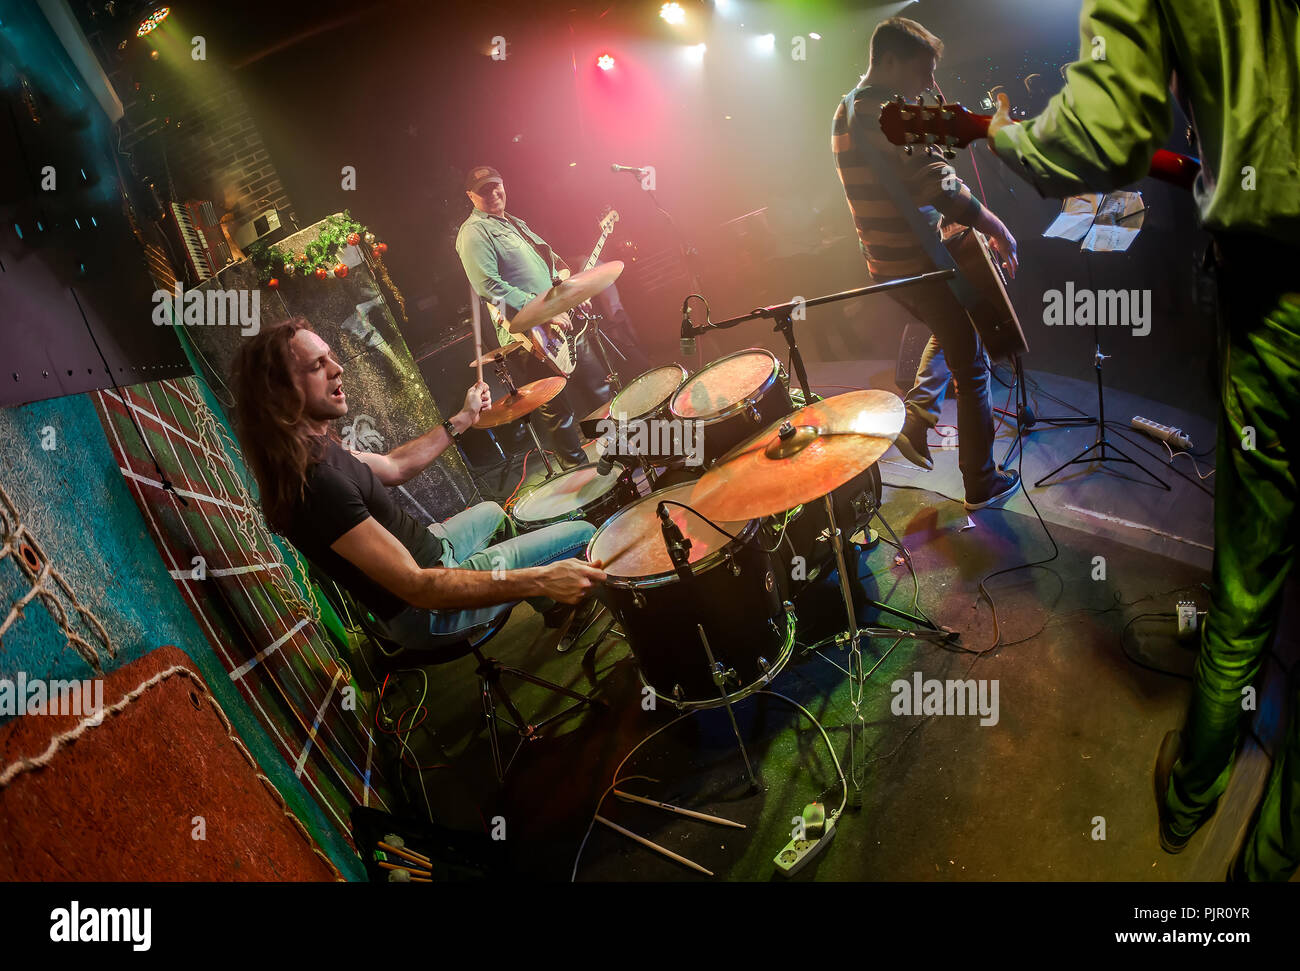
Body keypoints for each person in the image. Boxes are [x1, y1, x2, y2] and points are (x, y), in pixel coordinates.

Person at [984, 0, 1300, 880]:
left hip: (1278, 302)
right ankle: (1271, 861)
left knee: (1245, 577)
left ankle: (1194, 787)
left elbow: (1099, 134)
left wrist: (1007, 136)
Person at [231, 317, 606, 649]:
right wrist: (541, 578)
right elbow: (417, 587)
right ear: (280, 394)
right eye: (318, 365)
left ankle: (557, 613)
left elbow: (395, 466)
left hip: (431, 552)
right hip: (427, 609)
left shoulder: (316, 446)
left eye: (330, 356)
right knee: (585, 533)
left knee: (494, 513)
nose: (337, 368)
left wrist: (463, 418)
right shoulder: (316, 486)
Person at [832, 16, 1023, 510]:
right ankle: (981, 482)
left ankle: (918, 420)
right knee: (972, 360)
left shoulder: (847, 107)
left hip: (887, 261)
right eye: (924, 72)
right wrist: (996, 227)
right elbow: (935, 183)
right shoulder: (886, 110)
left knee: (952, 329)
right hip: (916, 262)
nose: (931, 84)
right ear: (890, 60)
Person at [455, 166, 613, 468]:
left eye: (496, 186)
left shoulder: (514, 223)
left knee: (599, 390)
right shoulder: (474, 232)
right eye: (484, 190)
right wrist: (542, 312)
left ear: (504, 185)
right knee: (557, 412)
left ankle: (620, 455)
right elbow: (488, 285)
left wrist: (573, 296)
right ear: (470, 196)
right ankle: (581, 478)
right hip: (530, 337)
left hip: (563, 323)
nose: (493, 193)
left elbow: (550, 268)